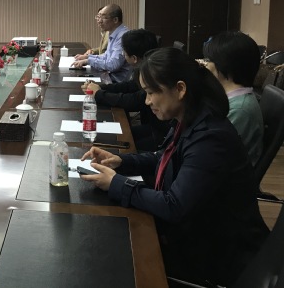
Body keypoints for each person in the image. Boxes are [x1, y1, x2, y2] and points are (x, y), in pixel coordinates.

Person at [80, 47, 268, 286]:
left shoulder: (211, 137)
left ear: (180, 89)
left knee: (105, 258)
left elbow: (174, 205)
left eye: (151, 93)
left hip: (213, 255)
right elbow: (166, 156)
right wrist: (122, 161)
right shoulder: (191, 118)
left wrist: (117, 184)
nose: (147, 101)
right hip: (190, 235)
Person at [81, 28, 169, 151]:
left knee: (119, 146)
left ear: (134, 58)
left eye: (124, 52)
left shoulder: (155, 73)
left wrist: (100, 94)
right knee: (113, 139)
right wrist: (100, 88)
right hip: (154, 126)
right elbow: (130, 86)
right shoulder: (146, 68)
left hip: (162, 133)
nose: (122, 54)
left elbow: (135, 100)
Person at [201, 31, 263, 166]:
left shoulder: (239, 109)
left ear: (225, 65)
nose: (206, 65)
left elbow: (209, 150)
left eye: (209, 60)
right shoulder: (227, 98)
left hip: (222, 175)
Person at [71, 4, 131, 82]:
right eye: (98, 17)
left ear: (115, 20)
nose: (99, 21)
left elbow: (113, 65)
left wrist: (88, 61)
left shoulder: (122, 36)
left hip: (117, 82)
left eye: (103, 17)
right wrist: (88, 57)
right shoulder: (113, 33)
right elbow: (107, 56)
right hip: (109, 77)